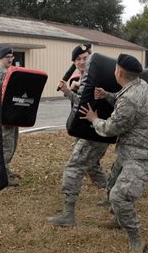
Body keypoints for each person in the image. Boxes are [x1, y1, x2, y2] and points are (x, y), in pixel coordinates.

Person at [80, 54, 148, 253]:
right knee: (111, 185)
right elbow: (124, 102)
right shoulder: (139, 85)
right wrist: (108, 94)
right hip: (131, 149)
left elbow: (111, 128)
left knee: (120, 196)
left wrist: (93, 119)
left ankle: (136, 240)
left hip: (143, 155)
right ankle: (119, 219)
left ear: (118, 72)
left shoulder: (130, 99)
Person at [46, 44, 108, 227]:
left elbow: (84, 106)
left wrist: (68, 92)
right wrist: (72, 90)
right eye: (78, 59)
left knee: (73, 168)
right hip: (85, 131)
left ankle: (68, 215)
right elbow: (80, 103)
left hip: (95, 132)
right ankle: (111, 196)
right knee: (92, 166)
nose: (82, 61)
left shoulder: (96, 78)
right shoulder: (84, 79)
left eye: (85, 57)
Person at [0, 47, 20, 186]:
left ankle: (6, 170)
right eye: (7, 57)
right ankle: (3, 177)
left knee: (12, 144)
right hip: (3, 116)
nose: (10, 59)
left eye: (11, 57)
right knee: (6, 146)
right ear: (1, 58)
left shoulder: (11, 72)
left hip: (13, 114)